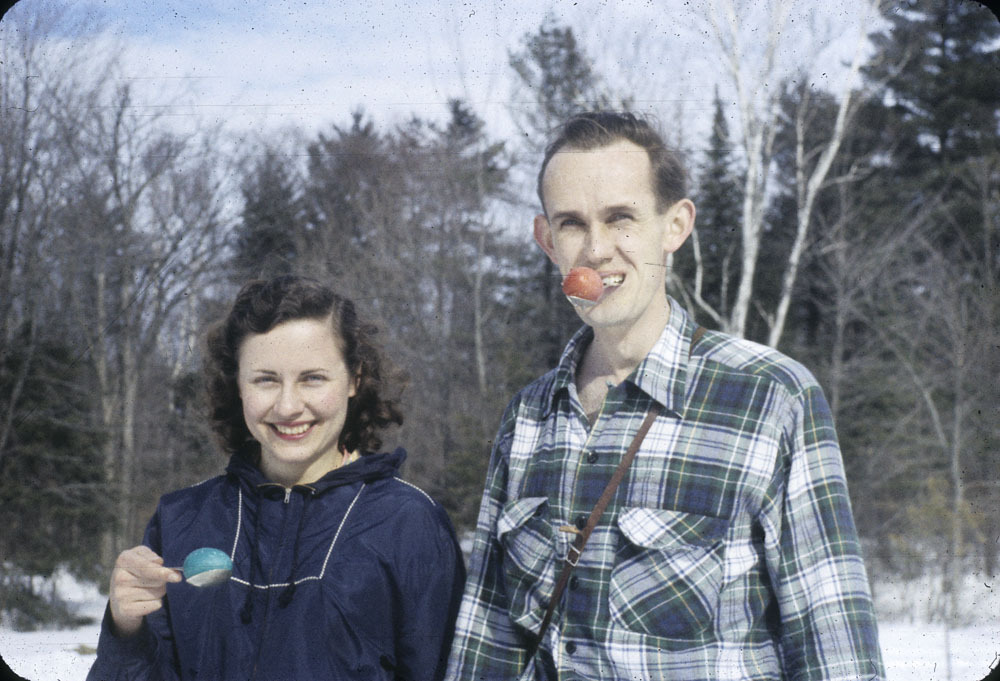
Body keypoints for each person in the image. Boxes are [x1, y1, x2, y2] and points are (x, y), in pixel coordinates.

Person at [445, 112, 884, 680]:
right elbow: (489, 640)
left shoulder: (771, 396)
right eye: (572, 224)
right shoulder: (528, 417)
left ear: (675, 226)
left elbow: (836, 647)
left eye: (621, 218)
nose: (596, 249)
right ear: (547, 241)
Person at [88, 275, 465, 681]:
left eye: (312, 378)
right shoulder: (182, 519)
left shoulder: (410, 524)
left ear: (355, 378)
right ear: (237, 384)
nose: (288, 406)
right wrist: (126, 629)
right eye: (266, 379)